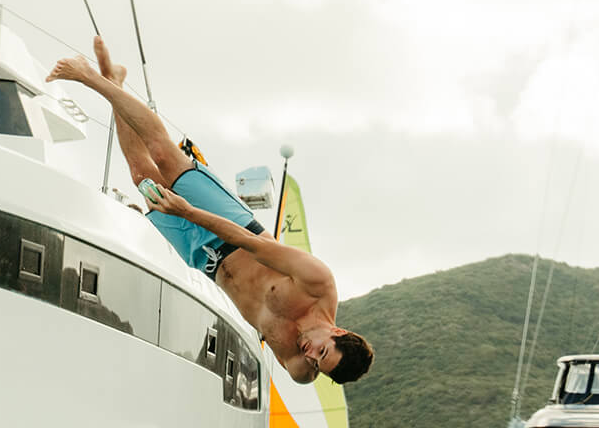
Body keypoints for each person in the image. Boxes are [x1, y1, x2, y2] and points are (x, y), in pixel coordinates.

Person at [47, 39, 374, 386]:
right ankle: (90, 77)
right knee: (163, 155)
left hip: (204, 260)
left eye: (318, 364)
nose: (310, 355)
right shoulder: (317, 282)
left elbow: (287, 366)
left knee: (142, 177)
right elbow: (250, 243)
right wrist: (188, 212)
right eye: (321, 351)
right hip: (232, 227)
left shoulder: (297, 365)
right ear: (338, 331)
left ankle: (114, 81)